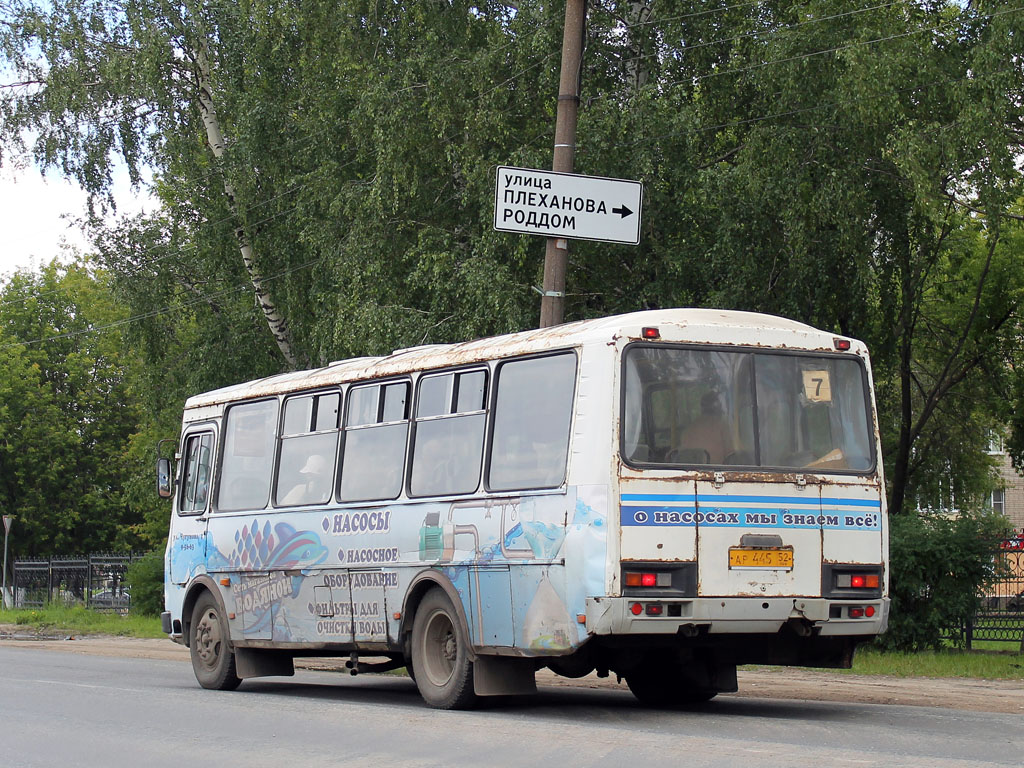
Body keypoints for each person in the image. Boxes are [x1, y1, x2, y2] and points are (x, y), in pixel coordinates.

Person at [677, 391, 733, 464]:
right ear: (718, 408)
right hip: (716, 472)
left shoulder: (689, 429)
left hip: (690, 472)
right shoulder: (722, 426)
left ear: (702, 408)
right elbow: (731, 455)